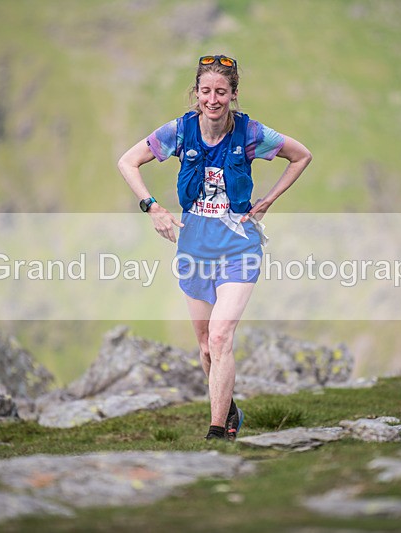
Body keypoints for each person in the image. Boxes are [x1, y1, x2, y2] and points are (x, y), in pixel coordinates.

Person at [117, 54, 311, 441]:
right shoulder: (179, 131)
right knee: (206, 347)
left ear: (233, 95)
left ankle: (217, 433)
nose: (213, 99)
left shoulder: (251, 134)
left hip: (239, 249)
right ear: (196, 94)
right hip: (193, 252)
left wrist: (269, 199)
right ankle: (230, 408)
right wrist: (151, 206)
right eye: (206, 91)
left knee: (221, 336)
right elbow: (127, 162)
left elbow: (300, 155)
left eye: (221, 91)